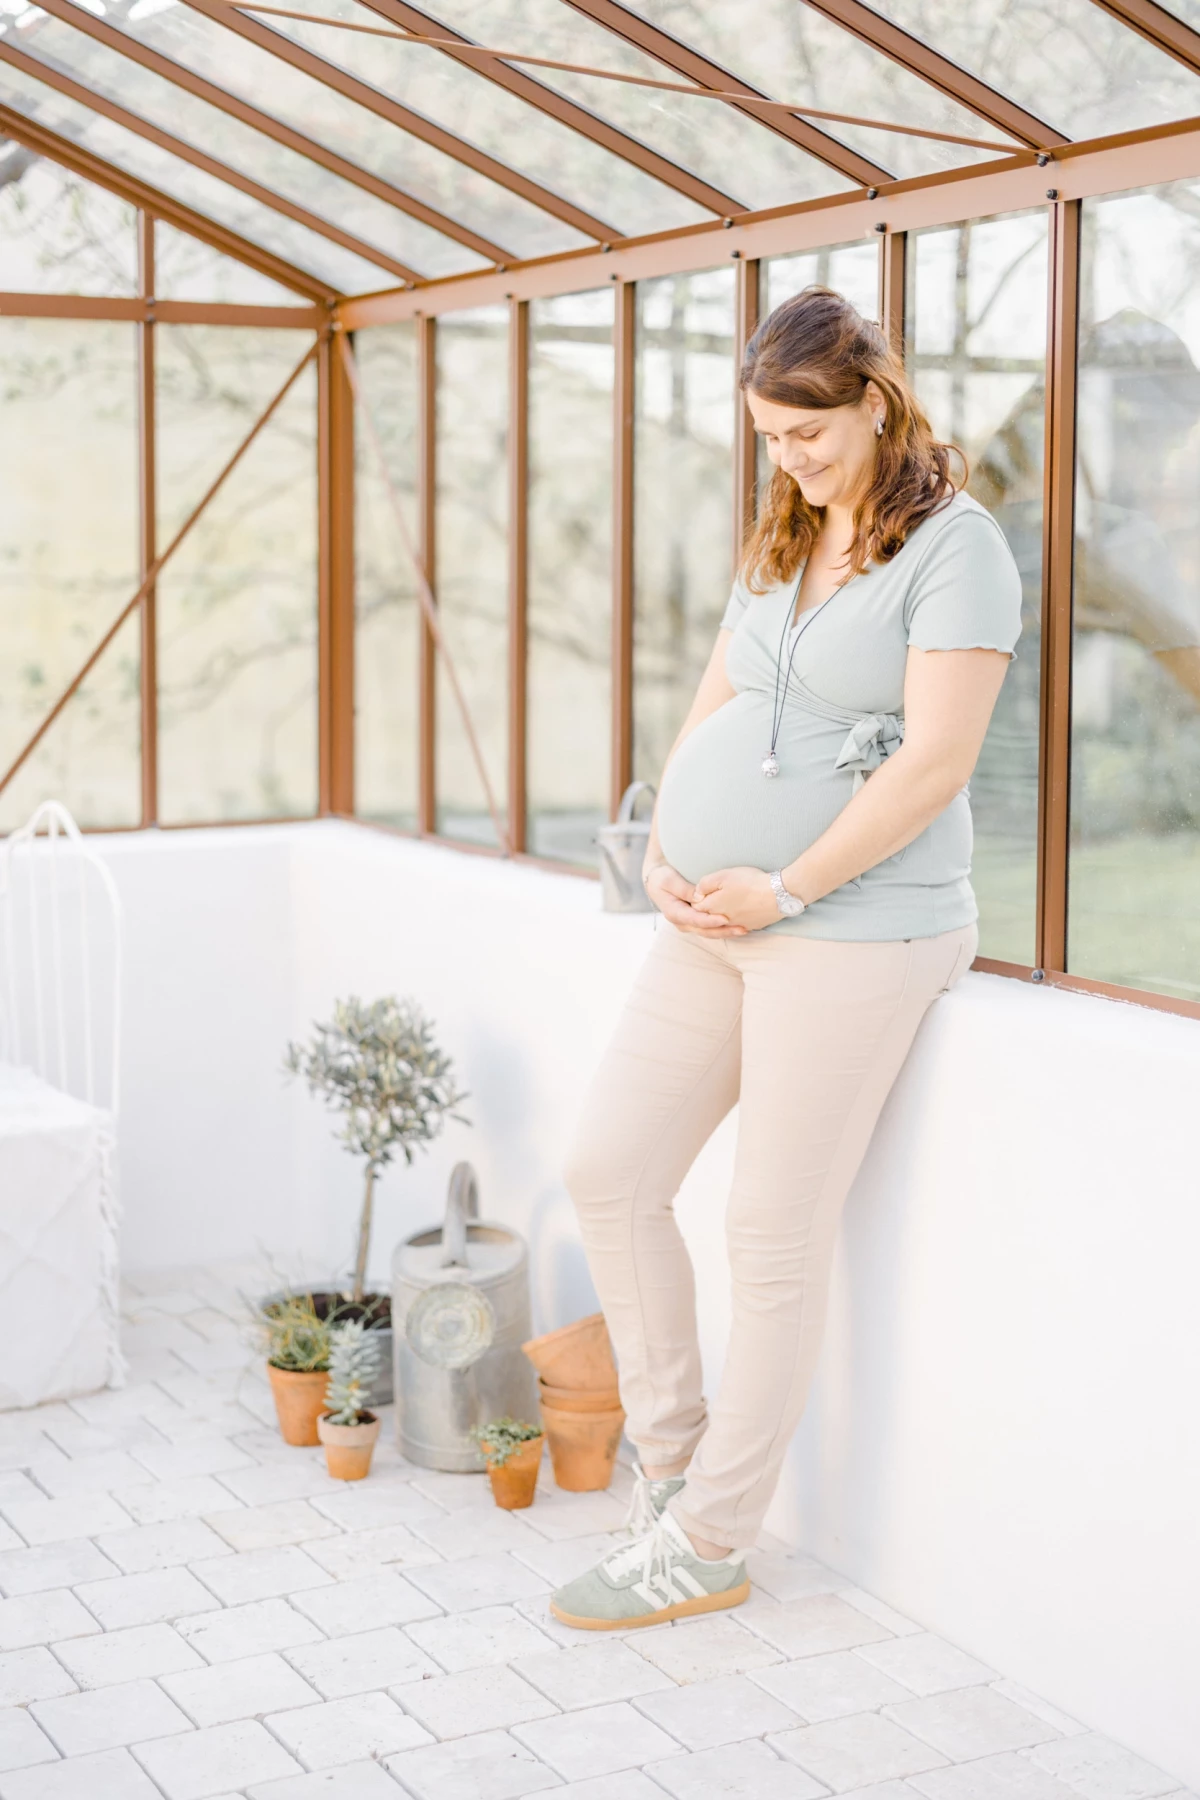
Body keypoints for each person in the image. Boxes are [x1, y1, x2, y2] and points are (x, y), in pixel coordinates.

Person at [549, 286, 1023, 1631]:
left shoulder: (958, 549)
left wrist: (793, 882)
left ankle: (710, 1540)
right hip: (711, 913)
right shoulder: (786, 526)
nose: (790, 462)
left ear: (874, 399)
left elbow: (936, 760)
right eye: (769, 437)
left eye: (808, 436)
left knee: (770, 1232)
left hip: (857, 926)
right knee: (611, 1167)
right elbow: (723, 687)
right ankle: (676, 1460)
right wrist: (655, 837)